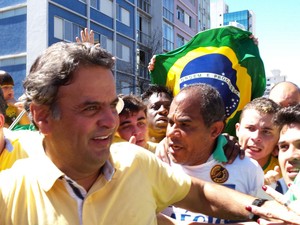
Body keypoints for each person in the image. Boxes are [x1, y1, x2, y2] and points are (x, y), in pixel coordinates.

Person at [0, 41, 283, 224]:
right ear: (42, 116)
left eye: (113, 105)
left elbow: (200, 194)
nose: (111, 121)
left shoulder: (137, 162)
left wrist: (263, 208)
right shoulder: (8, 194)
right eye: (90, 108)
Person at [161, 84, 264, 224]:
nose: (171, 133)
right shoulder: (157, 163)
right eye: (170, 122)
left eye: (185, 125)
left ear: (215, 130)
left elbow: (266, 220)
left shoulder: (249, 169)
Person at [235, 97, 281, 181]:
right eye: (250, 128)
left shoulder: (285, 173)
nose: (256, 137)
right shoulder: (217, 161)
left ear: (278, 138)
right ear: (238, 129)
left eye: (266, 132)